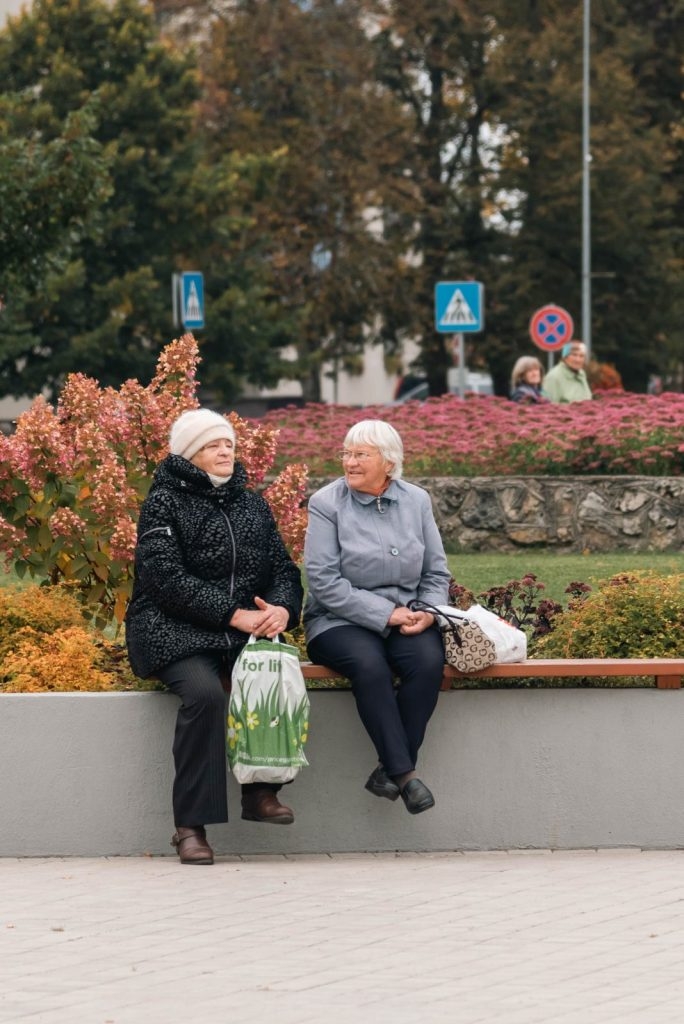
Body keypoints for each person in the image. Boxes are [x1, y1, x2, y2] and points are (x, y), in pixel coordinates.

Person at [126, 409, 303, 865]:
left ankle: (261, 790)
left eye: (228, 443)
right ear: (190, 454)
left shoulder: (252, 503)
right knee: (205, 696)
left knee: (270, 678)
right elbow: (163, 577)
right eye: (212, 445)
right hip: (172, 627)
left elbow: (282, 569)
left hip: (240, 629)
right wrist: (233, 615)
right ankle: (190, 827)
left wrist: (281, 609)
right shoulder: (164, 501)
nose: (225, 451)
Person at [304, 419, 450, 815]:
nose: (349, 462)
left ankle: (387, 770)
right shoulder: (326, 503)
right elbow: (323, 581)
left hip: (409, 616)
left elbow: (436, 573)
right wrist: (387, 614)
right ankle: (404, 775)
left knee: (428, 661)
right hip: (337, 620)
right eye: (346, 454)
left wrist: (427, 613)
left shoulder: (417, 500)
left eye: (360, 455)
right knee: (370, 666)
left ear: (388, 462)